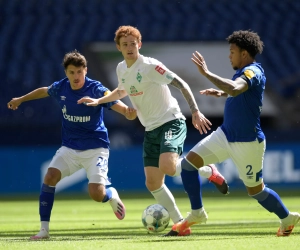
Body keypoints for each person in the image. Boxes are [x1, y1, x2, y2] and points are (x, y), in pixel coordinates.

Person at [77, 25, 229, 236]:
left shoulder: (150, 66)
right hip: (150, 128)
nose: (129, 48)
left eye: (133, 44)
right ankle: (179, 223)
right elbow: (122, 90)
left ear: (139, 44)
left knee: (168, 166)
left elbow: (182, 83)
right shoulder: (121, 68)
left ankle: (207, 170)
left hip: (171, 121)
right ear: (119, 47)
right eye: (125, 44)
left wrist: (194, 111)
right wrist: (99, 101)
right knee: (152, 182)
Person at [170, 30, 300, 236]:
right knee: (188, 165)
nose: (229, 56)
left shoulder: (253, 72)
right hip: (225, 134)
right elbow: (237, 92)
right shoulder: (243, 72)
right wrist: (221, 93)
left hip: (248, 143)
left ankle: (287, 218)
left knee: (256, 191)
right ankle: (197, 213)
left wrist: (207, 74)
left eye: (232, 51)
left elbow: (236, 89)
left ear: (245, 54)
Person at [7, 50, 137, 240]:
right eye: (71, 72)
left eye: (79, 71)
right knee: (50, 176)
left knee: (96, 193)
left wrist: (126, 111)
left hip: (96, 148)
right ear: (66, 73)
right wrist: (21, 99)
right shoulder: (61, 87)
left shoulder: (95, 88)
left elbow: (112, 99)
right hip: (69, 147)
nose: (75, 76)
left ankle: (110, 194)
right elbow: (44, 90)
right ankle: (44, 230)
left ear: (85, 70)